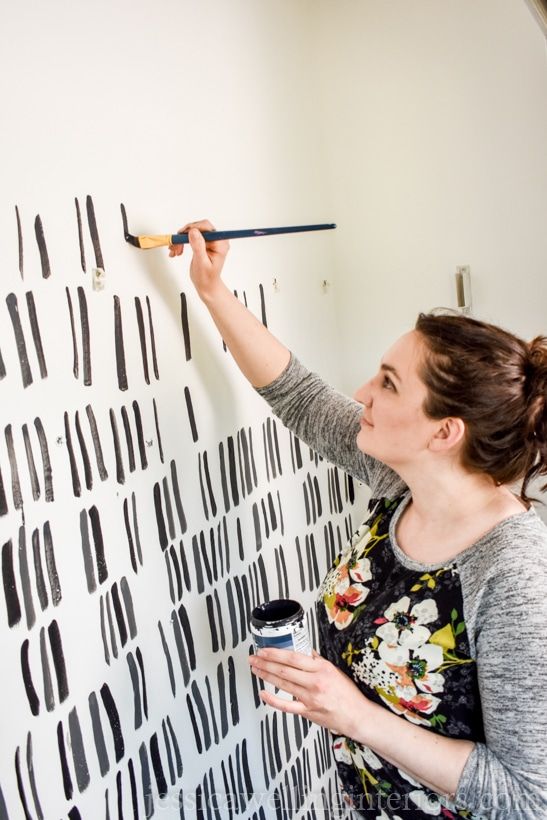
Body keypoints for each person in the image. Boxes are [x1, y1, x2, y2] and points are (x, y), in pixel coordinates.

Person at [169, 221, 547, 819]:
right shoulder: (404, 483)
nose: (362, 392)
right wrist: (213, 290)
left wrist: (351, 714)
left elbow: (528, 798)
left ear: (444, 432)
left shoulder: (515, 575)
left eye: (389, 384)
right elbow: (296, 394)